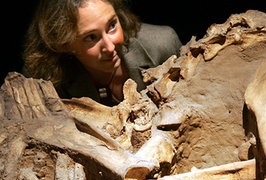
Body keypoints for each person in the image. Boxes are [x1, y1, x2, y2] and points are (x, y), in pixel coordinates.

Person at [22, 0, 182, 106]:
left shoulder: (163, 44)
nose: (110, 47)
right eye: (91, 37)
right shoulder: (42, 80)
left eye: (112, 25)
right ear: (63, 44)